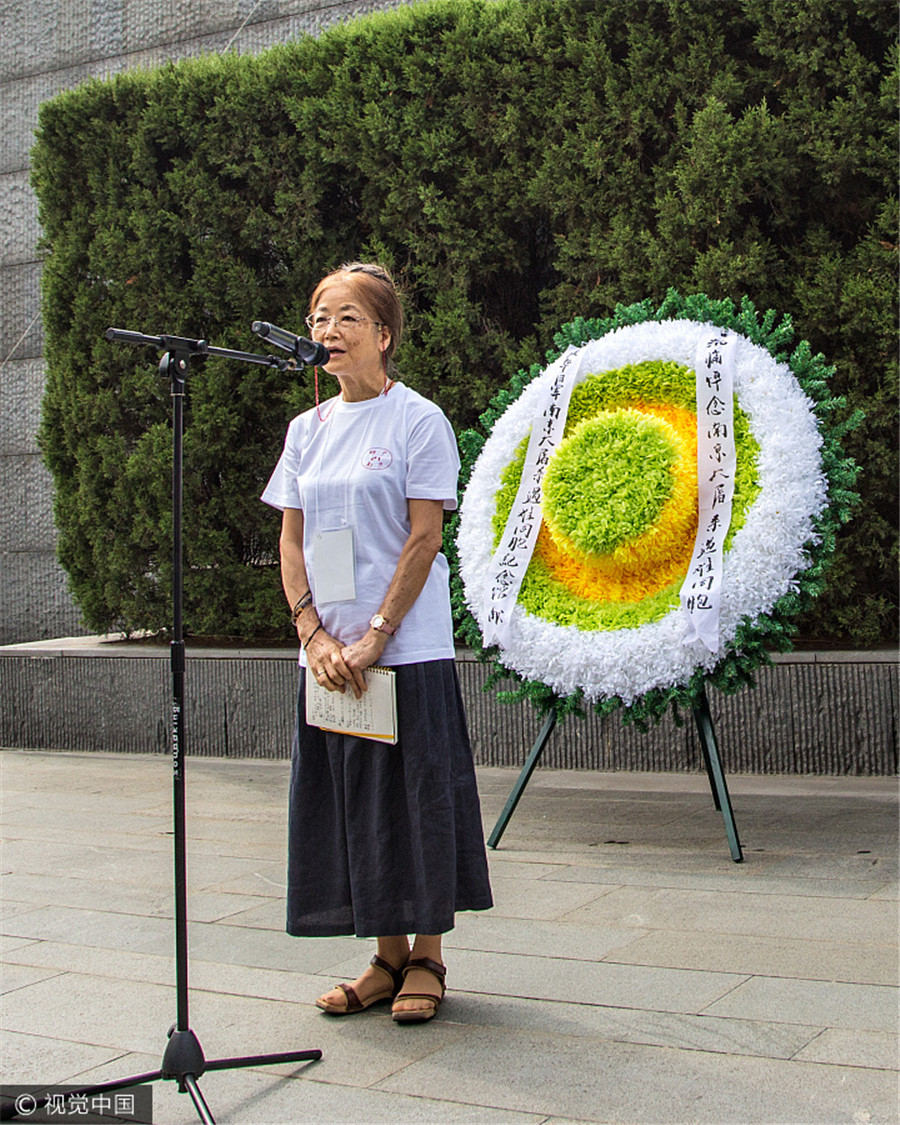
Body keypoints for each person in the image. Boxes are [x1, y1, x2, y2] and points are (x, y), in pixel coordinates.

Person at [261, 261, 493, 1023]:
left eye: (347, 318)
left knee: (415, 797)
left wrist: (376, 634)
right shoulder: (307, 430)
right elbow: (292, 539)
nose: (327, 331)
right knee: (356, 800)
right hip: (328, 653)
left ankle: (427, 953)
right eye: (319, 317)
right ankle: (385, 955)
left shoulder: (418, 420)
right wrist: (314, 631)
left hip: (404, 649)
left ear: (384, 335)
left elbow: (423, 538)